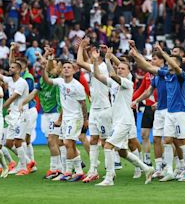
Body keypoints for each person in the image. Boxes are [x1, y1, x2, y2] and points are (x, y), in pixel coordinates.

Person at [131, 42, 185, 182]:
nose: (169, 63)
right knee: (167, 140)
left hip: (180, 112)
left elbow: (176, 67)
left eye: (172, 61)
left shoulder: (180, 75)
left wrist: (164, 53)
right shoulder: (165, 74)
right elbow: (147, 66)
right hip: (170, 112)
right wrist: (135, 55)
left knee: (182, 141)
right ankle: (169, 170)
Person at [93, 47, 154, 186]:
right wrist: (96, 60)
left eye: (123, 68)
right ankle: (147, 168)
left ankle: (109, 177)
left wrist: (108, 59)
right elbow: (97, 75)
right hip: (117, 121)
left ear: (128, 72)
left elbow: (113, 75)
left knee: (108, 146)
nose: (120, 70)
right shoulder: (114, 84)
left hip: (124, 121)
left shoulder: (128, 83)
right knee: (122, 152)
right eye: (118, 68)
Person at [19, 47, 63, 179]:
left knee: (52, 141)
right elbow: (33, 94)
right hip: (45, 113)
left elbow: (49, 67)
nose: (51, 67)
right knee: (54, 142)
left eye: (53, 65)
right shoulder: (41, 81)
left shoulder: (56, 78)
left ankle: (56, 168)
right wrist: (22, 103)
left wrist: (48, 57)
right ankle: (62, 167)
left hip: (56, 112)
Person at [41, 59, 88, 182]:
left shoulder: (77, 86)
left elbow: (83, 104)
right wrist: (43, 69)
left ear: (73, 71)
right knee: (67, 143)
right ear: (62, 70)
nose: (66, 69)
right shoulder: (60, 82)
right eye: (65, 67)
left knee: (67, 143)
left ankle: (67, 171)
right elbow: (47, 80)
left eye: (69, 67)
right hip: (66, 118)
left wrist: (85, 120)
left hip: (75, 118)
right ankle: (79, 172)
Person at [76, 38, 112, 183]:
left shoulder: (101, 68)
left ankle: (111, 171)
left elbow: (80, 62)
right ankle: (93, 170)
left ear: (98, 55)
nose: (90, 56)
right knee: (94, 140)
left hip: (104, 109)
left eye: (92, 53)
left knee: (106, 142)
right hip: (95, 109)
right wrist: (84, 49)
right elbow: (86, 61)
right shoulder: (96, 66)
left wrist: (81, 48)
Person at [0, 58, 30, 176]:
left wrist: (1, 107)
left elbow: (13, 97)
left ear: (19, 70)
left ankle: (23, 167)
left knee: (18, 141)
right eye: (10, 67)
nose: (10, 69)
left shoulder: (22, 82)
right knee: (8, 143)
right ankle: (27, 162)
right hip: (13, 115)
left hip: (21, 114)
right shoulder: (10, 80)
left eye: (13, 67)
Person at [131, 50, 166, 178]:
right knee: (145, 134)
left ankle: (171, 164)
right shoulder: (148, 75)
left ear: (162, 60)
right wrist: (134, 100)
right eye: (151, 59)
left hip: (163, 107)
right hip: (148, 107)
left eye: (154, 59)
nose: (152, 61)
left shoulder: (166, 73)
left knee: (166, 139)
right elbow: (144, 90)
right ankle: (147, 159)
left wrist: (136, 55)